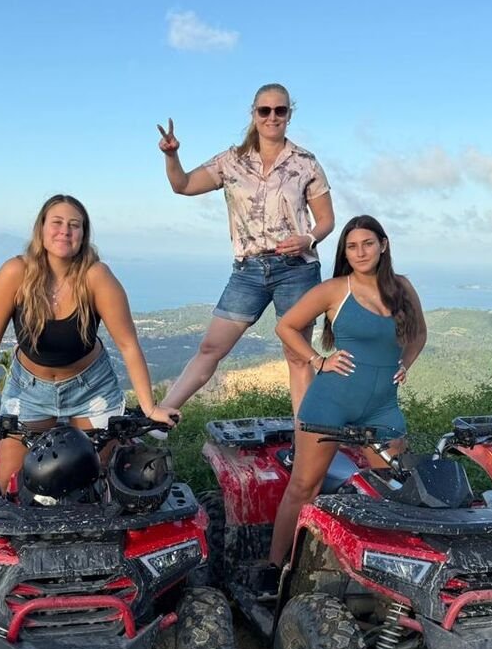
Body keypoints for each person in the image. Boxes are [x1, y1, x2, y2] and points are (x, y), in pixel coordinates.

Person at [0, 194, 178, 492]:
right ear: (41, 229)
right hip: (29, 390)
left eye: (74, 225)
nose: (65, 231)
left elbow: (128, 344)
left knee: (97, 480)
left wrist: (149, 407)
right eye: (57, 222)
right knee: (10, 483)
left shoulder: (96, 277)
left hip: (91, 389)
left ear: (83, 235)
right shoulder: (15, 274)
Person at [158, 83, 334, 413]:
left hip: (297, 270)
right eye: (264, 110)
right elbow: (182, 185)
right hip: (248, 270)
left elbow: (326, 220)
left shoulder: (306, 163)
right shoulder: (231, 161)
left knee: (297, 357)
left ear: (289, 115)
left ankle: (305, 441)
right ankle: (160, 417)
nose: (272, 117)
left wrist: (308, 239)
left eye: (279, 110)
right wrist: (172, 156)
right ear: (253, 114)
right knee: (211, 347)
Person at [268, 215, 427, 565]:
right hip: (330, 403)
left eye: (367, 243)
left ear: (383, 245)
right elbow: (287, 326)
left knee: (392, 492)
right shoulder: (335, 290)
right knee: (303, 488)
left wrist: (405, 364)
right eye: (352, 246)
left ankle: (383, 573)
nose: (360, 252)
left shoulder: (402, 287)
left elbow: (418, 334)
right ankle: (275, 568)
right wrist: (318, 360)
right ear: (345, 252)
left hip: (383, 407)